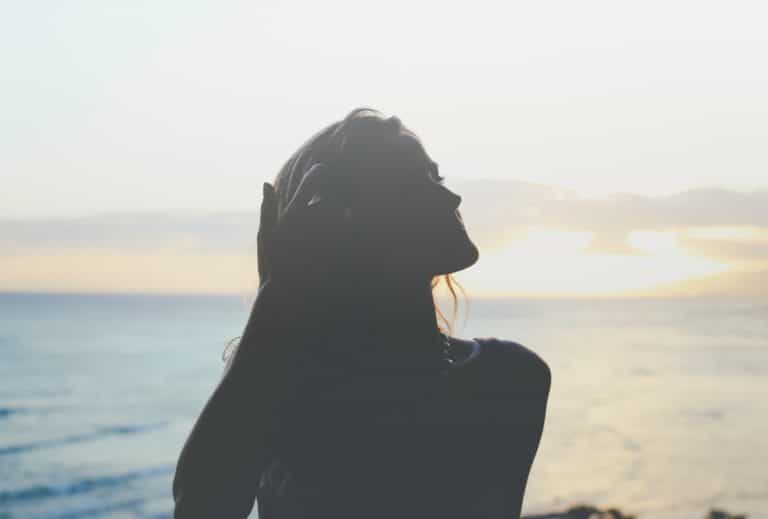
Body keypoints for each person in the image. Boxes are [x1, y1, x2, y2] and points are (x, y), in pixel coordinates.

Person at [172, 107, 552, 519]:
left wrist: (276, 298)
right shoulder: (299, 390)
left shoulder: (513, 375)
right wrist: (277, 294)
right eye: (412, 185)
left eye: (436, 177)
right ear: (349, 223)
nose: (451, 196)